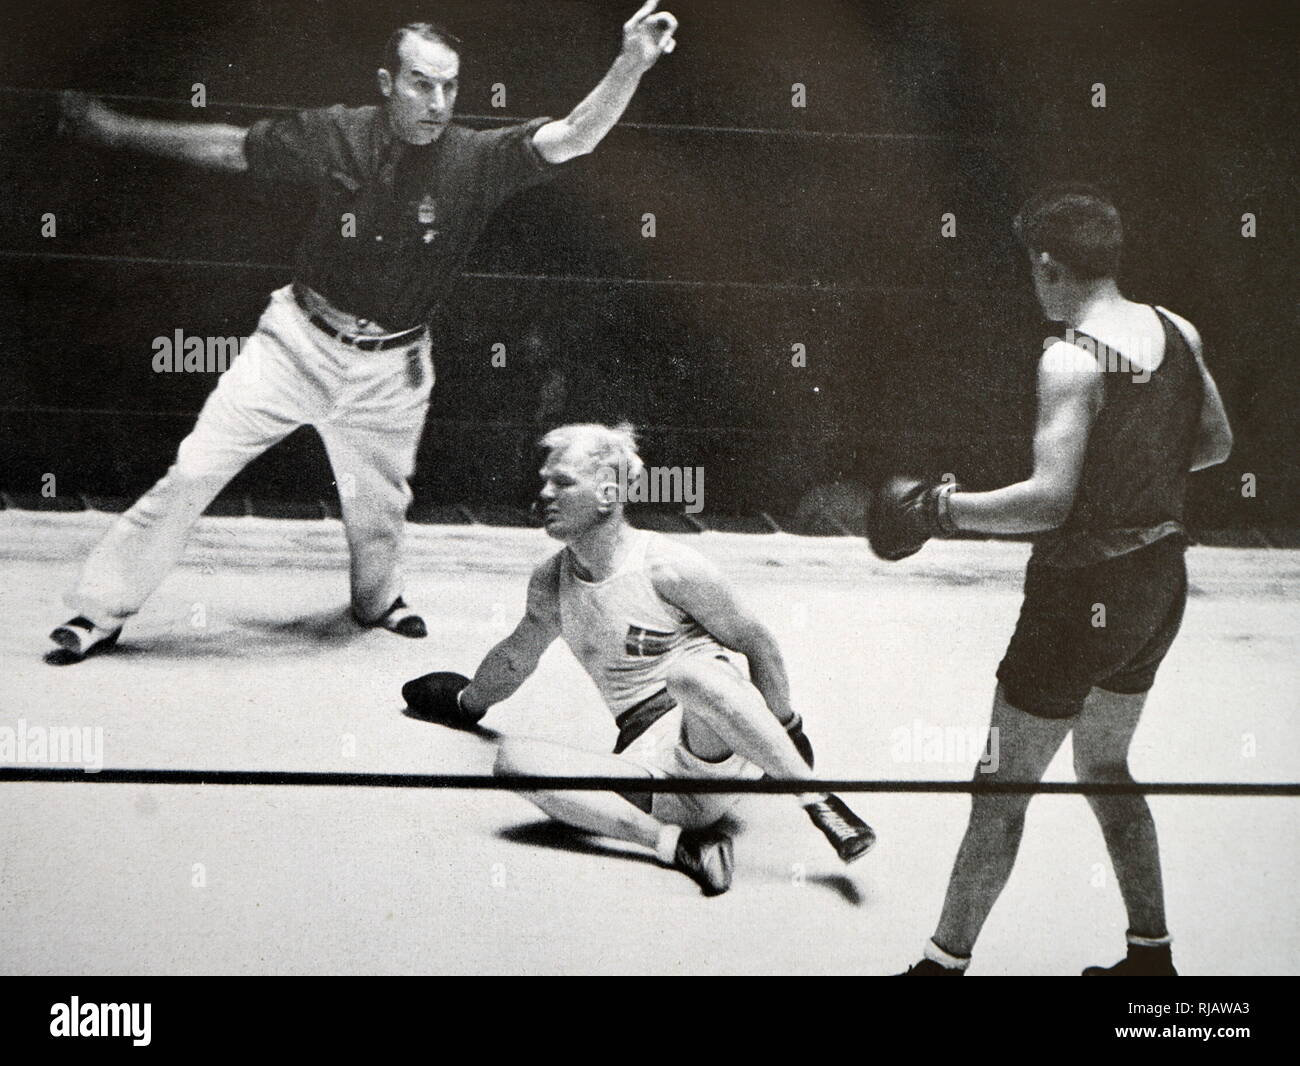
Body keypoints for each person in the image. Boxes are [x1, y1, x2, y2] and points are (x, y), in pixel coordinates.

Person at [45, 3, 680, 665]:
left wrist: (631, 60)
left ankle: (376, 603)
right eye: (420, 83)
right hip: (294, 345)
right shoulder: (336, 135)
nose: (436, 101)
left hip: (392, 370)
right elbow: (231, 147)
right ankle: (97, 613)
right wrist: (118, 130)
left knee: (378, 508)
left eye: (448, 86)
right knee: (194, 471)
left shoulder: (477, 158)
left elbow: (576, 134)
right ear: (387, 82)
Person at [867, 185, 1233, 975]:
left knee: (1000, 785)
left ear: (1046, 265)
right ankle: (1150, 959)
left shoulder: (1070, 357)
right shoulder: (1178, 329)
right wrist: (1130, 470)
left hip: (1081, 597)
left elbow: (1045, 501)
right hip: (1158, 584)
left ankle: (942, 966)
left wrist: (940, 510)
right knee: (1104, 766)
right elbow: (1213, 446)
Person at [403, 422, 877, 895]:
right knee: (513, 761)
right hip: (661, 780)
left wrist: (788, 734)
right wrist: (466, 702)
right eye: (544, 481)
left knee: (689, 675)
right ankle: (677, 846)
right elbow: (514, 657)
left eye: (563, 482)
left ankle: (819, 800)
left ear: (609, 494)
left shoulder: (668, 566)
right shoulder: (551, 584)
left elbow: (758, 644)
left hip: (719, 738)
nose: (544, 494)